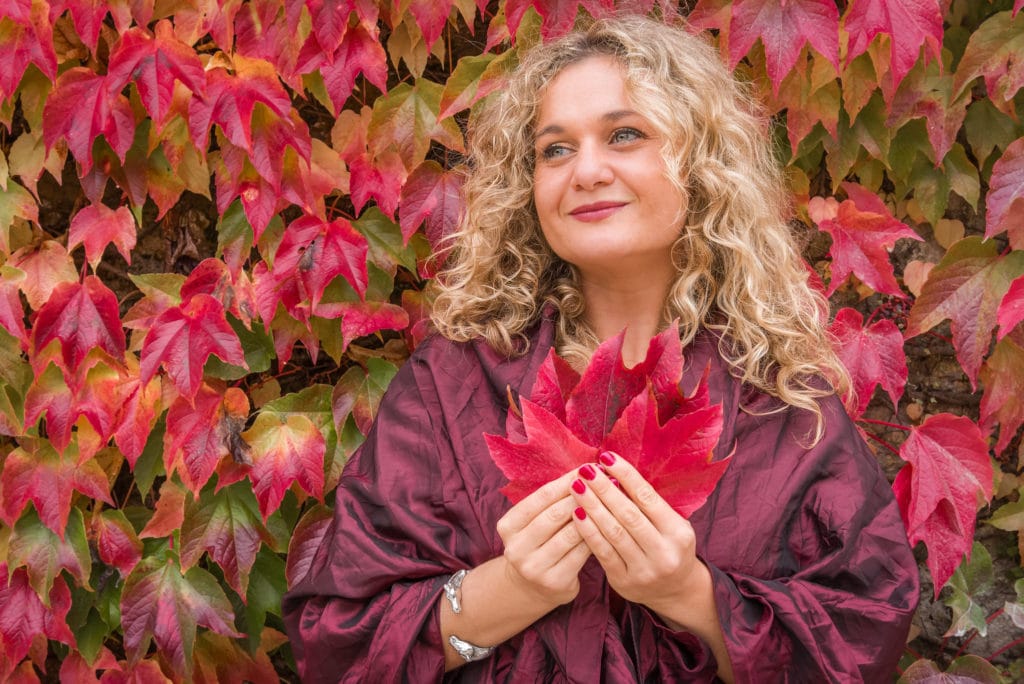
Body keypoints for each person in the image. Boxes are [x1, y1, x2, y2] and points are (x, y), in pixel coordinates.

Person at [283, 14, 919, 683]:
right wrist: (508, 592)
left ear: (700, 164)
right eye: (555, 149)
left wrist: (689, 596)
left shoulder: (780, 397)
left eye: (624, 135)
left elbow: (863, 633)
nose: (585, 170)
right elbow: (337, 639)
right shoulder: (454, 381)